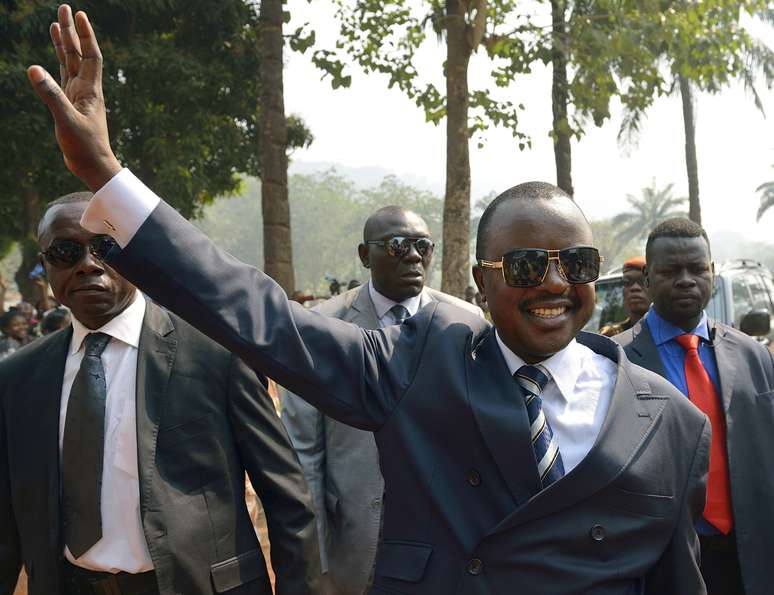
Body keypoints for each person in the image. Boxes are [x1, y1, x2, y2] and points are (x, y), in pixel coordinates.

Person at [28, 6, 710, 593]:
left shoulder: (672, 423)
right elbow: (259, 313)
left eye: (578, 263)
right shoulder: (420, 364)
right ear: (481, 278)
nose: (556, 285)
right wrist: (105, 175)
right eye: (529, 265)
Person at [0, 192, 321, 595]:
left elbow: (287, 499)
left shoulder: (217, 354)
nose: (87, 265)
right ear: (45, 264)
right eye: (65, 252)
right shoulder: (17, 378)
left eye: (105, 247)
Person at [281, 206, 482, 595]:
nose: (413, 256)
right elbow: (304, 455)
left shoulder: (467, 323)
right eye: (396, 245)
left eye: (422, 246)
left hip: (443, 540)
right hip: (356, 544)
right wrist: (316, 563)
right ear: (363, 254)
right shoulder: (323, 327)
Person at [614, 218, 774, 595]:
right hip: (661, 560)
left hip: (750, 555)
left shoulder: (753, 355)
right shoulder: (617, 362)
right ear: (648, 280)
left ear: (713, 274)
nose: (686, 279)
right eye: (670, 271)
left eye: (697, 269)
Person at [599, 256, 649, 337]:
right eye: (627, 282)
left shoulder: (672, 333)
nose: (634, 287)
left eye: (643, 281)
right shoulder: (609, 336)